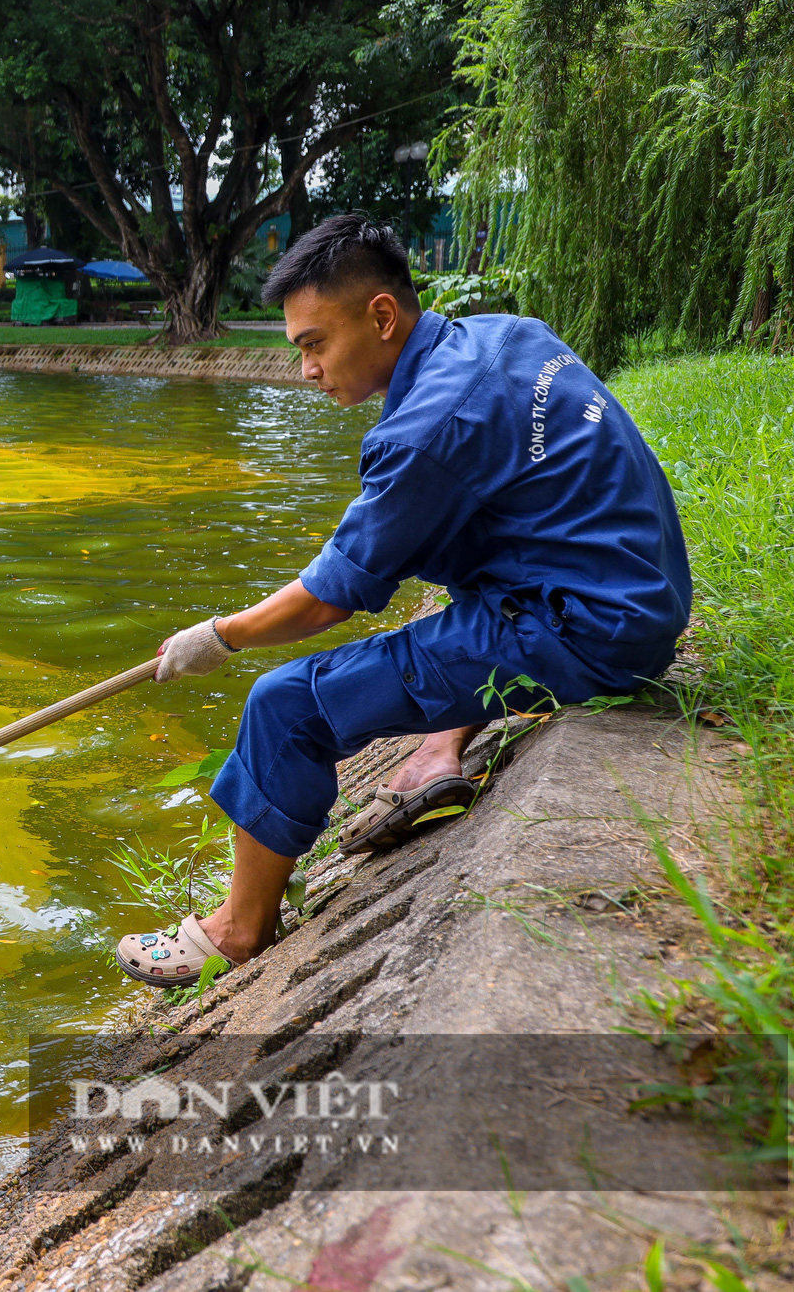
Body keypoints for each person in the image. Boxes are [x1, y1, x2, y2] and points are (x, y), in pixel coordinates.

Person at [116, 215, 691, 989]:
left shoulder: (428, 427)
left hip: (588, 632)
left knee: (284, 704)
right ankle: (440, 742)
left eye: (314, 344)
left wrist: (217, 636)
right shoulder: (503, 337)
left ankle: (237, 930)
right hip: (639, 594)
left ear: (382, 316)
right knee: (464, 538)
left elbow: (329, 598)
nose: (307, 369)